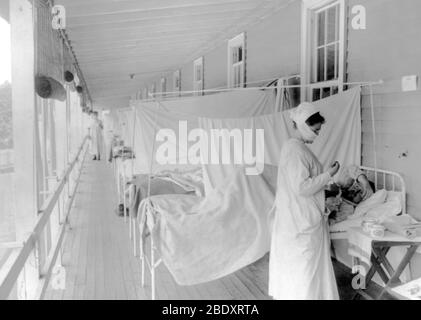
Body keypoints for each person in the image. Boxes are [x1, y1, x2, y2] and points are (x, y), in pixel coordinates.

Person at [269, 102, 340, 300]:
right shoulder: (295, 150)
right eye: (315, 131)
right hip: (299, 219)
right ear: (304, 126)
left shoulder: (297, 148)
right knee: (303, 270)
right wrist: (328, 175)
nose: (317, 135)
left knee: (306, 269)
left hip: (299, 216)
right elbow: (302, 187)